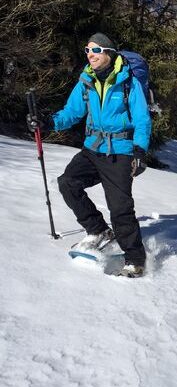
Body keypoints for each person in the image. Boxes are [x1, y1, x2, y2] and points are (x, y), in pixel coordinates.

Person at [26, 33, 151, 278]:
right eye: (87, 50)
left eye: (95, 50)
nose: (90, 55)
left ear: (108, 53)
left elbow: (142, 119)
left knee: (121, 209)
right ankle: (98, 230)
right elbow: (71, 113)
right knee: (68, 182)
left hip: (120, 153)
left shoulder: (128, 82)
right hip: (92, 149)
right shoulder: (86, 80)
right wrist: (48, 122)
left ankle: (135, 260)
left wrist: (140, 150)